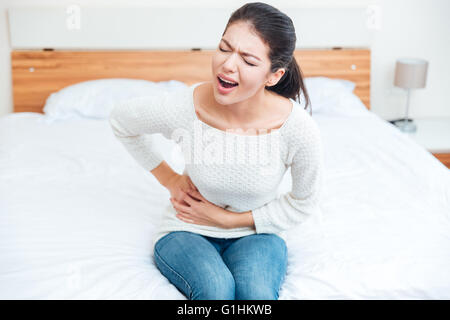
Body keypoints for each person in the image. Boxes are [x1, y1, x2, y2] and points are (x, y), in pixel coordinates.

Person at [109, 2, 324, 300]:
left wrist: (229, 220)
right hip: (186, 229)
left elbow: (303, 203)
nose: (228, 65)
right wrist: (170, 180)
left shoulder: (297, 129)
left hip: (255, 235)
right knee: (215, 290)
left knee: (256, 297)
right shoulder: (184, 107)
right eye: (225, 48)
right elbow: (122, 121)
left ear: (273, 76)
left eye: (248, 61)